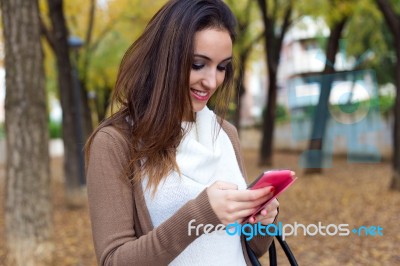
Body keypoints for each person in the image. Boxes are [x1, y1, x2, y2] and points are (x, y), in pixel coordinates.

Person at [85, 0, 284, 265]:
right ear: (165, 59)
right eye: (198, 64)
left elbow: (249, 248)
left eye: (222, 67)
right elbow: (114, 260)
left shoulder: (226, 134)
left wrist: (262, 220)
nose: (211, 81)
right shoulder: (116, 142)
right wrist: (199, 214)